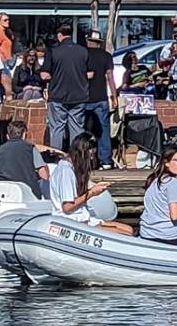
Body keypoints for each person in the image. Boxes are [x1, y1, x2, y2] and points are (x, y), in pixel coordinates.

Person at [48, 132, 133, 235]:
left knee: (129, 230)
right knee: (125, 234)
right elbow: (67, 207)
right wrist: (92, 193)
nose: (91, 159)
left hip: (84, 218)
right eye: (91, 156)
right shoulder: (66, 171)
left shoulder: (73, 169)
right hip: (72, 221)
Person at [41, 23, 90, 151]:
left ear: (59, 35)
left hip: (58, 94)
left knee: (57, 128)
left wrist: (55, 76)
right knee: (77, 128)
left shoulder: (53, 51)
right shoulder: (83, 51)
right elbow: (90, 74)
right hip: (79, 94)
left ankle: (56, 159)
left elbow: (44, 75)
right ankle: (77, 159)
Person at [0, 121, 55, 198]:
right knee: (45, 183)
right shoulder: (30, 149)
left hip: (3, 192)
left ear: (7, 136)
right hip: (28, 192)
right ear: (24, 135)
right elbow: (43, 173)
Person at [84, 32, 117, 169]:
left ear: (88, 40)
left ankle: (83, 158)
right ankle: (106, 161)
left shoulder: (82, 54)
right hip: (101, 97)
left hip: (84, 97)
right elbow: (110, 77)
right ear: (99, 42)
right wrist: (114, 96)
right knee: (103, 129)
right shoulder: (106, 56)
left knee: (82, 129)